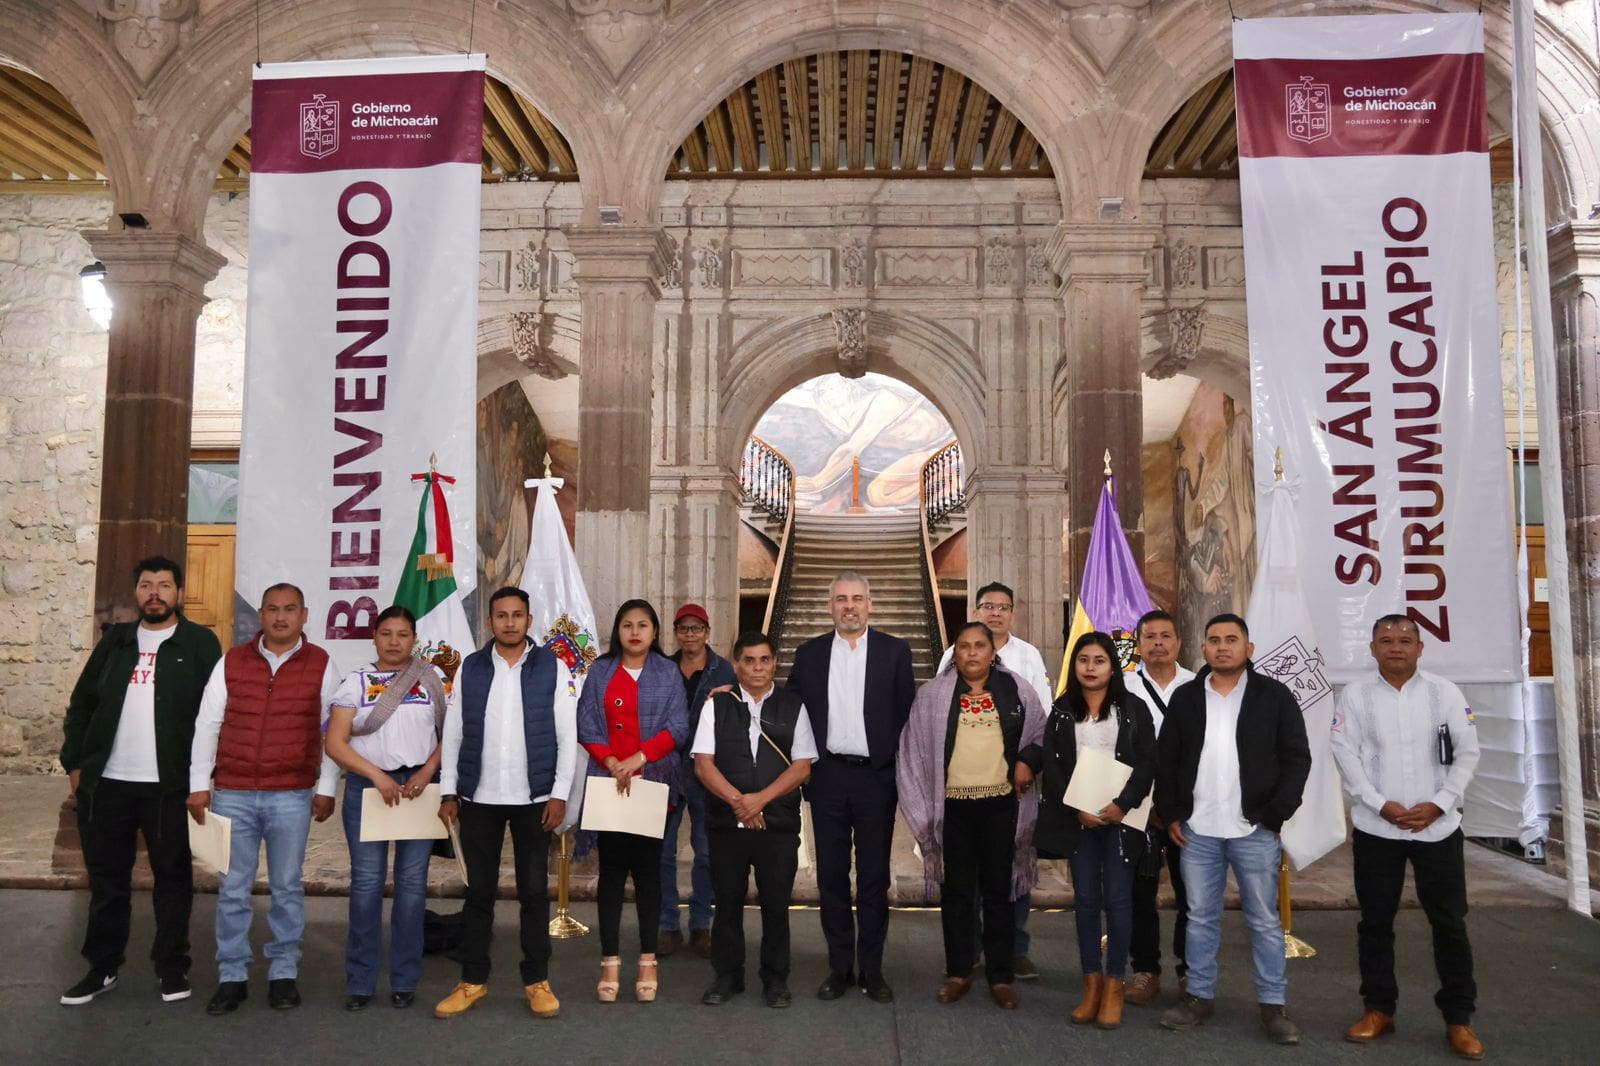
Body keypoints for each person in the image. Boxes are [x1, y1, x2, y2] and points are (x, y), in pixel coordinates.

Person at [58, 556, 223, 1006]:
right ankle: (102, 967)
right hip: (108, 783)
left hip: (168, 785)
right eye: (147, 584)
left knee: (173, 878)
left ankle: (172, 967)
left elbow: (216, 713)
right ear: (136, 593)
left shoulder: (200, 643)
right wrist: (75, 764)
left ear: (178, 593)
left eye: (164, 585)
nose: (155, 593)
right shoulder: (115, 642)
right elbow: (81, 704)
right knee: (107, 881)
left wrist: (204, 776)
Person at [1329, 615, 1484, 1061]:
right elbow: (1344, 753)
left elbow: (1468, 752)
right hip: (1379, 827)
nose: (1395, 647)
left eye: (1404, 640)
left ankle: (1458, 1018)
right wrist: (1380, 804)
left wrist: (1440, 803)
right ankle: (1378, 1009)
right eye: (1385, 640)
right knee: (1375, 923)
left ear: (1420, 648)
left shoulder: (1446, 693)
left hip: (1438, 827)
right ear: (1372, 649)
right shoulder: (1355, 695)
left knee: (1449, 924)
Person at [1156, 613, 1310, 1045]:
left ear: (1248, 648)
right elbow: (1166, 761)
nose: (1222, 647)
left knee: (1264, 920)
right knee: (1200, 917)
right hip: (1198, 830)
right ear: (1203, 648)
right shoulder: (1186, 697)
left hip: (1254, 830)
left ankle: (1273, 1005)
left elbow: (1297, 758)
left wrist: (1275, 815)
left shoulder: (1274, 697)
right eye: (1214, 640)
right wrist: (1171, 813)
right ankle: (1198, 996)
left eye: (1231, 639)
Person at [188, 582, 342, 1015]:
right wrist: (199, 782)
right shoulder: (233, 661)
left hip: (291, 794)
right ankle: (232, 975)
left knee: (287, 886)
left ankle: (283, 973)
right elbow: (207, 723)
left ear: (304, 616)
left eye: (289, 609)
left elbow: (333, 730)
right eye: (272, 609)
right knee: (233, 888)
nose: (280, 617)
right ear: (260, 615)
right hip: (232, 792)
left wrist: (326, 787)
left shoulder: (322, 664)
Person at [433, 587, 578, 1020]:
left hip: (535, 799)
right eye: (501, 615)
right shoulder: (472, 668)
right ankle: (472, 980)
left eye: (517, 615)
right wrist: (448, 791)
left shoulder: (553, 667)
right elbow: (454, 732)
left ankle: (537, 981)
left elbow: (567, 735)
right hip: (480, 797)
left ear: (529, 620)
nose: (509, 622)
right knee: (479, 893)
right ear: (489, 621)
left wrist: (559, 793)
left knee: (533, 893)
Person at [786, 571, 915, 1003]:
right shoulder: (809, 655)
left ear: (870, 604)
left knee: (874, 876)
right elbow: (788, 710)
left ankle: (872, 970)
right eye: (841, 599)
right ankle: (839, 967)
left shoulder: (895, 652)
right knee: (832, 876)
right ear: (830, 606)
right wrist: (734, 692)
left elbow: (908, 715)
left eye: (857, 598)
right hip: (827, 777)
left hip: (876, 779)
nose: (849, 606)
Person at [900, 622, 1044, 1010]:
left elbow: (1040, 734)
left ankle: (1001, 977)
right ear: (955, 653)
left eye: (980, 645)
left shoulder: (1017, 690)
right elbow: (911, 749)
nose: (972, 653)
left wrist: (1027, 761)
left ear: (992, 652)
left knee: (999, 892)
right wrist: (922, 806)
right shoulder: (932, 695)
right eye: (964, 646)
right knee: (958, 893)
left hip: (1002, 806)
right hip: (953, 810)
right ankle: (959, 972)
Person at [324, 606, 446, 1011]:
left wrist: (428, 771)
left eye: (403, 634)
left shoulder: (432, 679)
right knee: (366, 884)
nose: (394, 641)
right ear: (374, 637)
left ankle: (405, 979)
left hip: (418, 788)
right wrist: (376, 775)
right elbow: (335, 743)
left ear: (415, 640)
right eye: (387, 633)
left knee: (411, 887)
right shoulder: (355, 682)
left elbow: (451, 735)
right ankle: (360, 981)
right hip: (368, 787)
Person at [1034, 631, 1156, 1030]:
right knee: (1086, 900)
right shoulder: (1062, 710)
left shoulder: (1133, 708)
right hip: (1080, 820)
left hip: (1123, 819)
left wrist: (1124, 804)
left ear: (1112, 667)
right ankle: (1091, 985)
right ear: (1075, 666)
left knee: (1119, 900)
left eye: (1099, 660)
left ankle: (1115, 984)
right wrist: (1076, 807)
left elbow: (1147, 762)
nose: (1090, 667)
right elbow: (1053, 766)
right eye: (1083, 660)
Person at [693, 631, 817, 1008]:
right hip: (726, 824)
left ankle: (775, 979)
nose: (758, 667)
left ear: (774, 663)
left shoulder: (794, 706)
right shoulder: (717, 705)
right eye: (749, 660)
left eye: (764, 660)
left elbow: (802, 767)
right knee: (727, 902)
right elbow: (703, 765)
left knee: (776, 906)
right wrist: (740, 803)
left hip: (777, 825)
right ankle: (727, 976)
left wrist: (760, 801)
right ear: (736, 665)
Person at [935, 581, 1051, 980]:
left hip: (1010, 789)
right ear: (975, 611)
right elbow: (937, 717)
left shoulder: (1027, 659)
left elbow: (1041, 719)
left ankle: (1012, 955)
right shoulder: (950, 659)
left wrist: (1027, 761)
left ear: (1012, 614)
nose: (995, 613)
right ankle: (965, 956)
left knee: (1008, 877)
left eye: (1003, 607)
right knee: (962, 881)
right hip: (957, 793)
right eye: (988, 606)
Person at [578, 598, 689, 1003]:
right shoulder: (601, 671)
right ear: (618, 631)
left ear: (655, 632)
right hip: (609, 784)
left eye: (643, 625)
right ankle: (609, 961)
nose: (635, 632)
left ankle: (647, 961)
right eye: (627, 625)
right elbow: (586, 722)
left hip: (652, 784)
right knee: (610, 876)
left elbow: (679, 726)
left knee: (648, 876)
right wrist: (612, 762)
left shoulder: (668, 672)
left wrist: (638, 759)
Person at [1127, 608, 1197, 1005]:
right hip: (1137, 807)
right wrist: (1140, 801)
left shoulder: (1199, 686)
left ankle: (1190, 972)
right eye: (1150, 637)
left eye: (1165, 636)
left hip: (1188, 810)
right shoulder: (1123, 686)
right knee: (1140, 894)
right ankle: (1146, 971)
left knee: (1192, 895)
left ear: (1179, 643)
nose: (1158, 643)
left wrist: (1175, 807)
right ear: (1138, 645)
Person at [660, 602, 735, 959]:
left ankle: (702, 924)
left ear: (707, 632)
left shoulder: (725, 671)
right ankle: (667, 925)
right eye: (683, 629)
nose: (690, 635)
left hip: (708, 769)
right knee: (663, 850)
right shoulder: (663, 668)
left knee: (706, 852)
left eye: (696, 628)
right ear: (675, 633)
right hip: (666, 767)